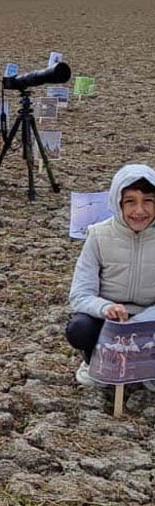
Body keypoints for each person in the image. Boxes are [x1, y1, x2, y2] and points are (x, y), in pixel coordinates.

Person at [68, 164, 155, 387]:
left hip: (150, 321)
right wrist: (106, 308)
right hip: (109, 321)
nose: (139, 211)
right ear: (117, 203)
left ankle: (146, 367)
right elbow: (80, 294)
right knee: (80, 328)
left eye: (148, 201)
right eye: (130, 201)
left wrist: (139, 322)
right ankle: (94, 361)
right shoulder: (98, 235)